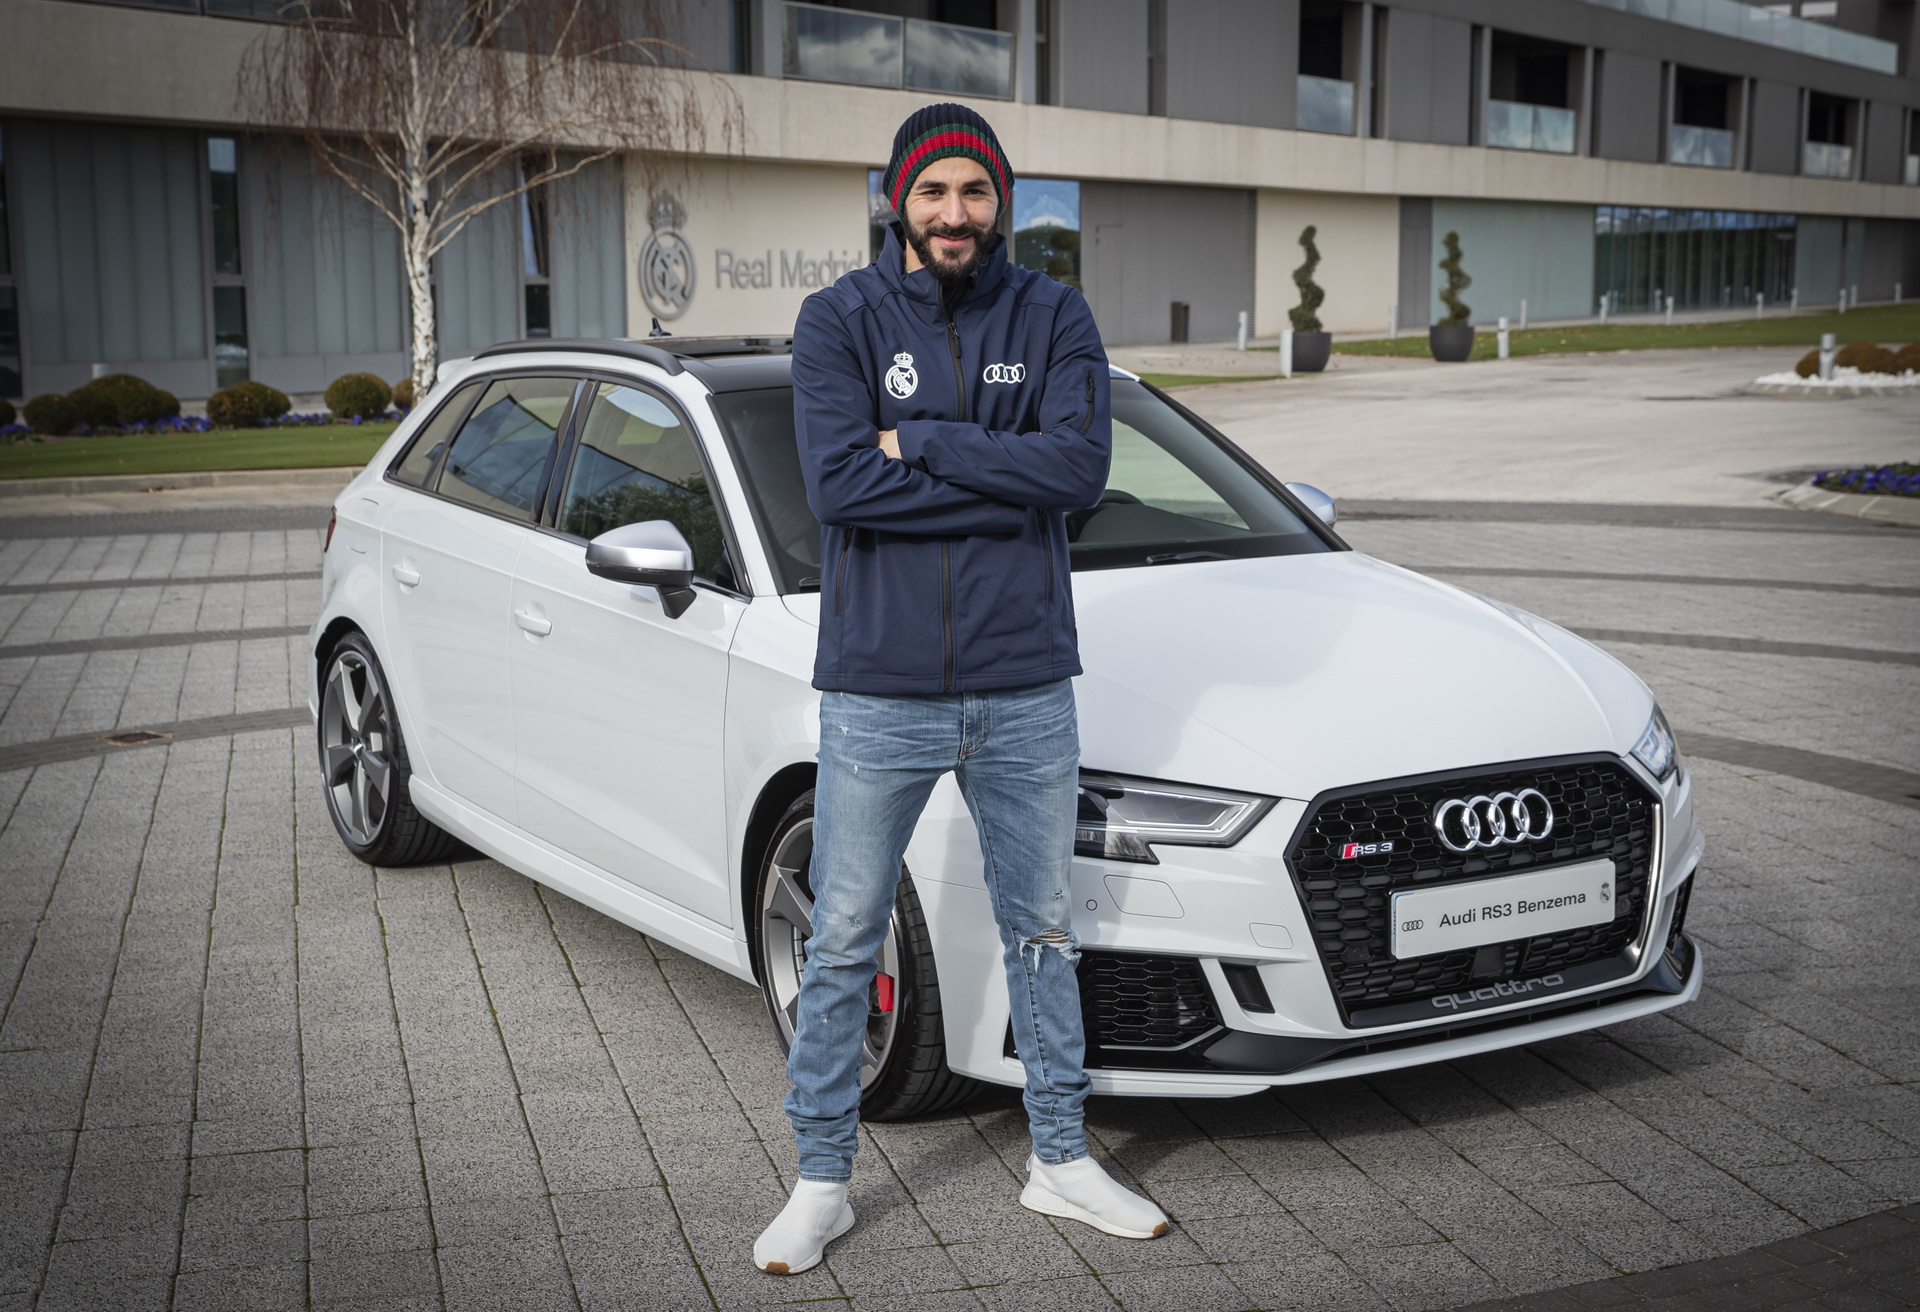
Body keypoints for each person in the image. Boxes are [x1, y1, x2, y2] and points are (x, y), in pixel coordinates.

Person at [752, 103, 1170, 1276]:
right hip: (879, 688)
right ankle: (821, 1181)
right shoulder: (838, 319)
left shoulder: (1054, 315)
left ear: (1001, 202)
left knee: (1043, 928)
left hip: (1025, 681)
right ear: (898, 197)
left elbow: (1078, 469)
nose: (953, 212)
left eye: (974, 191)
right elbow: (841, 488)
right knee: (844, 933)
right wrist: (1002, 470)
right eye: (932, 191)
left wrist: (922, 441)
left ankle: (1061, 1158)